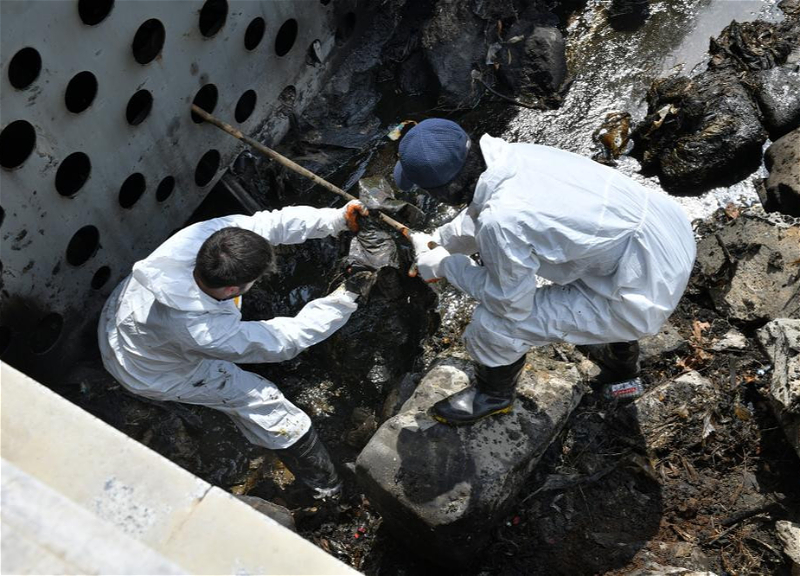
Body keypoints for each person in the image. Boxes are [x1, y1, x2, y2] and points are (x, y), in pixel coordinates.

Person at [395, 118, 696, 425]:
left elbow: (510, 303)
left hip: (644, 288)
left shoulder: (501, 219)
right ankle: (621, 364)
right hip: (665, 231)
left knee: (493, 324)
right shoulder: (512, 157)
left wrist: (448, 266)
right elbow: (486, 215)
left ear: (445, 191)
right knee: (574, 259)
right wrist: (439, 241)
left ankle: (494, 396)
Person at [98, 200, 369, 499]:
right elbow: (286, 340)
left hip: (123, 314)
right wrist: (346, 297)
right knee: (268, 407)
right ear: (231, 290)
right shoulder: (204, 332)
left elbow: (270, 224)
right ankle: (327, 487)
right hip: (149, 369)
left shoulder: (210, 240)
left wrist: (337, 219)